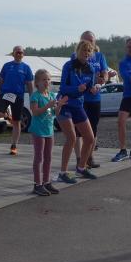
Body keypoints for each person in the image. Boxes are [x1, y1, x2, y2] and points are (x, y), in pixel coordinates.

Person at [56, 40, 97, 183]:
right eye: (83, 50)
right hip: (65, 103)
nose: (86, 53)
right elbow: (63, 88)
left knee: (90, 138)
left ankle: (81, 168)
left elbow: (89, 88)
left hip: (78, 105)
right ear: (77, 51)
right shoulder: (69, 66)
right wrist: (76, 89)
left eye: (89, 51)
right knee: (72, 138)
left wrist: (93, 89)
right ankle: (63, 172)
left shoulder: (91, 69)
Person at [71, 30, 107, 169]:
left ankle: (89, 157)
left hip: (95, 98)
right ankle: (79, 159)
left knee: (93, 129)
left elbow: (104, 74)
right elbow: (73, 76)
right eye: (84, 40)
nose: (88, 43)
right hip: (80, 99)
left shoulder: (99, 56)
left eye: (90, 40)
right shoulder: (75, 56)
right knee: (78, 130)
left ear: (94, 42)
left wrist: (100, 82)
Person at [0, 45, 34, 155]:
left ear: (23, 54)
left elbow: (30, 85)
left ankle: (14, 145)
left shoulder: (26, 68)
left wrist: (32, 98)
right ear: (13, 54)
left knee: (17, 122)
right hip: (5, 93)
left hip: (18, 96)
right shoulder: (7, 66)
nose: (19, 54)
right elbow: (0, 81)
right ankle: (7, 116)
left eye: (21, 52)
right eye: (17, 52)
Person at [29, 69, 61, 195]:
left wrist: (59, 106)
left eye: (48, 79)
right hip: (38, 130)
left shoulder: (52, 95)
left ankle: (47, 182)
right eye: (43, 80)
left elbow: (55, 113)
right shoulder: (35, 96)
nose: (47, 82)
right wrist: (48, 105)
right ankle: (37, 184)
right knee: (39, 157)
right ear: (37, 82)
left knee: (48, 157)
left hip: (49, 130)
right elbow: (35, 112)